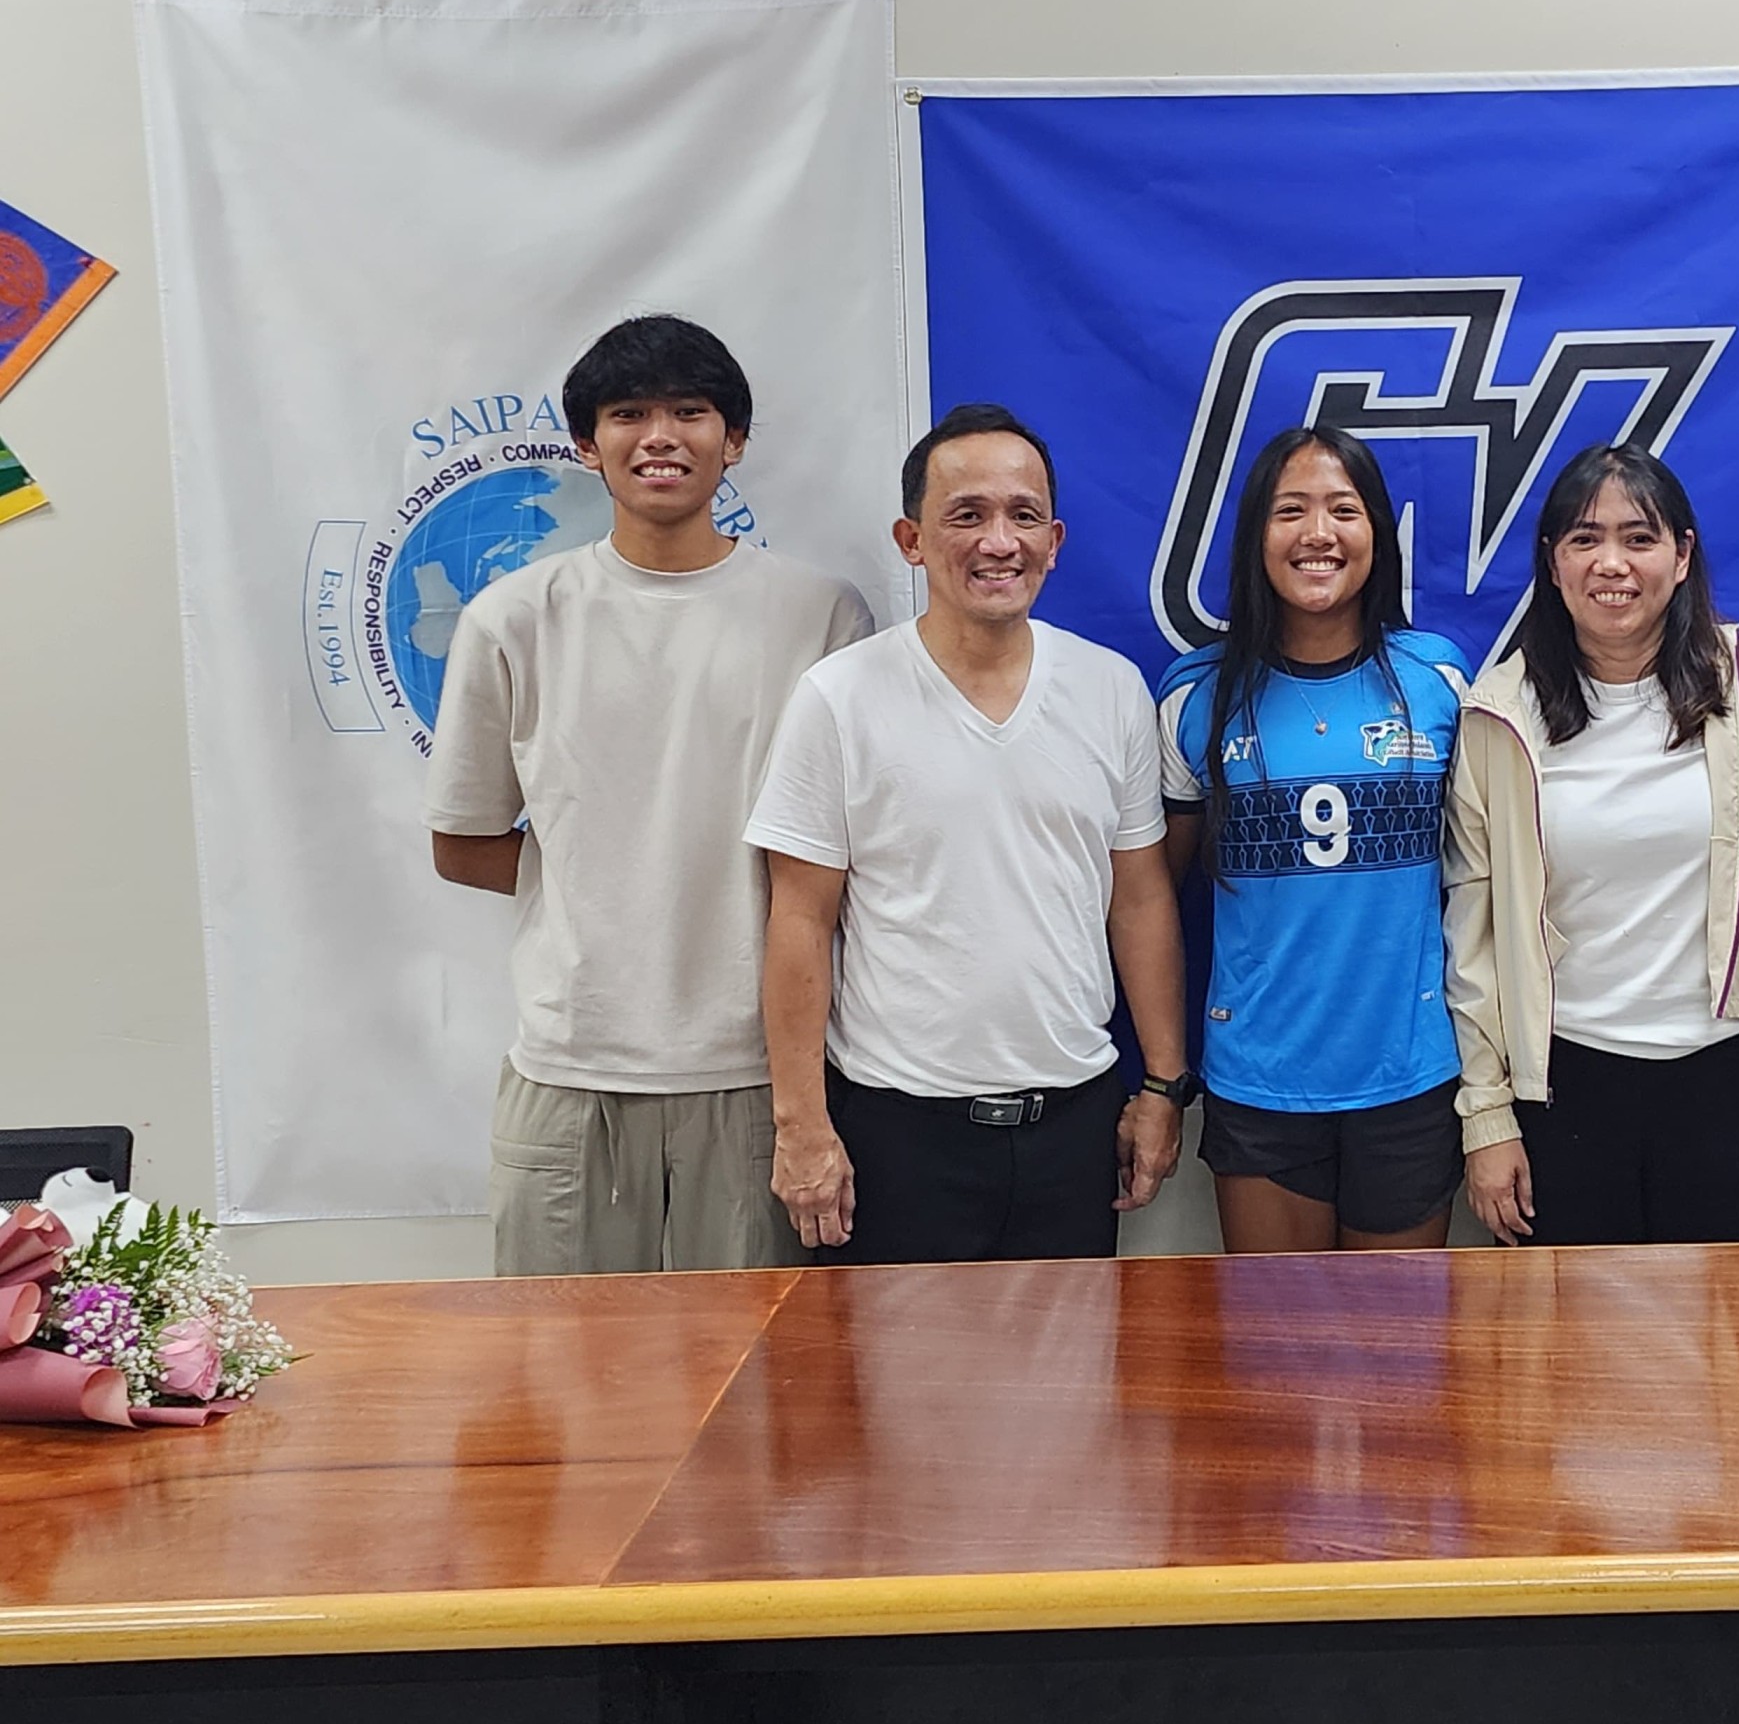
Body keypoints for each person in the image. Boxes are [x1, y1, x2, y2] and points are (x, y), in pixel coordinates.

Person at [425, 313, 873, 1277]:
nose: (660, 436)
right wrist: (594, 875)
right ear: (587, 446)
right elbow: (462, 841)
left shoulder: (821, 614)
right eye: (628, 413)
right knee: (558, 1361)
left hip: (759, 1074)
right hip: (569, 1066)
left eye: (690, 412)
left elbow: (846, 855)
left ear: (734, 440)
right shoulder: (514, 619)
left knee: (757, 1365)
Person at [744, 403, 1189, 1264]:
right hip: (898, 1133)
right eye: (967, 515)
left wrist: (1164, 1084)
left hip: (1074, 1127)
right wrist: (801, 1126)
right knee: (900, 1357)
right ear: (911, 540)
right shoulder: (839, 697)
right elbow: (799, 919)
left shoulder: (1111, 690)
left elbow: (1139, 900)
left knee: (1075, 1357)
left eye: (1024, 516)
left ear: (1055, 541)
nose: (999, 542)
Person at [1445, 444, 1739, 1248]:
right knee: (1567, 1323)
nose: (1612, 564)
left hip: (1733, 1073)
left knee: (1733, 1319)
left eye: (1640, 538)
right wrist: (1487, 1114)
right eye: (1584, 539)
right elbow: (1474, 934)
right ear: (1552, 562)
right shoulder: (1499, 714)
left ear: (1682, 555)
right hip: (1566, 1078)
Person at [1157, 425, 1468, 1253]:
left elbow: (1484, 881)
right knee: (1278, 1329)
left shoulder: (1439, 680)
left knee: (1400, 1334)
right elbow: (1153, 895)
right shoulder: (1196, 695)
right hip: (1262, 1078)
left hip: (1408, 1073)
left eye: (1343, 510)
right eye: (1290, 510)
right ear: (1256, 535)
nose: (1318, 533)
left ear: (1378, 533)